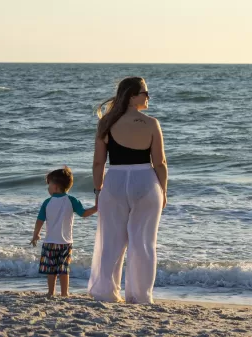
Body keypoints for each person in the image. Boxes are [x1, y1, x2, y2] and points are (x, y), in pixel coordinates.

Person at [88, 77, 168, 304]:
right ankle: (140, 296)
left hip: (114, 180)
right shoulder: (152, 123)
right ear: (133, 96)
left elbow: (98, 163)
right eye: (145, 92)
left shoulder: (106, 124)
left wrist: (98, 191)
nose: (148, 96)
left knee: (111, 242)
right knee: (143, 242)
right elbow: (160, 163)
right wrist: (164, 190)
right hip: (145, 180)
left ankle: (106, 292)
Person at [30, 166, 97, 297]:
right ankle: (65, 293)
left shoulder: (47, 202)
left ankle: (50, 292)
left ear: (55, 187)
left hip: (50, 242)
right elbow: (83, 213)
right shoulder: (71, 200)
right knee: (63, 269)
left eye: (49, 185)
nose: (48, 188)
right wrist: (96, 208)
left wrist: (36, 234)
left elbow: (40, 220)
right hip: (66, 242)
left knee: (51, 270)